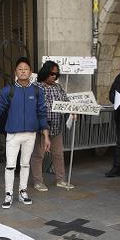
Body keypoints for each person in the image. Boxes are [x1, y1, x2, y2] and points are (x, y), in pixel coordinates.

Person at [0, 57, 49, 209]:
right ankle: (8, 194)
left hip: (30, 134)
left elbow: (42, 113)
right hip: (13, 135)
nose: (23, 71)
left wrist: (46, 135)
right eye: (20, 69)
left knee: (25, 165)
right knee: (10, 166)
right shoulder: (8, 91)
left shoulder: (37, 91)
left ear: (30, 72)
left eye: (26, 68)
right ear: (15, 72)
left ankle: (22, 192)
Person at [31, 60, 74, 191]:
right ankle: (38, 181)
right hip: (41, 128)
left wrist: (72, 111)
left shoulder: (58, 87)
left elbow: (66, 103)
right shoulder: (35, 87)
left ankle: (61, 179)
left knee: (58, 154)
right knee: (38, 155)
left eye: (56, 74)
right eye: (51, 74)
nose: (54, 76)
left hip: (56, 127)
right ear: (45, 72)